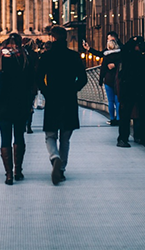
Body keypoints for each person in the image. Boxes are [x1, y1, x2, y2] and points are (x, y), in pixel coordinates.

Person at [37, 25, 88, 185]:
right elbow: (83, 79)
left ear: (52, 38)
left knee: (50, 135)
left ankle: (54, 157)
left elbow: (38, 77)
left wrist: (46, 91)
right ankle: (62, 170)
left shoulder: (46, 56)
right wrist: (73, 89)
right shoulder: (73, 56)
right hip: (69, 100)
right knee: (65, 138)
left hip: (53, 100)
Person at [0, 33, 35, 185]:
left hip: (2, 104)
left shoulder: (0, 58)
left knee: (5, 138)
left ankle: (8, 175)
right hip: (20, 104)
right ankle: (18, 171)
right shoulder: (24, 58)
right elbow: (31, 82)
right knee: (19, 136)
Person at [116, 36, 145, 147]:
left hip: (139, 88)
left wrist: (142, 51)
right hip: (130, 88)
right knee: (126, 114)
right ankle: (123, 138)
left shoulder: (140, 55)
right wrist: (136, 47)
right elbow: (127, 52)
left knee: (143, 113)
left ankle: (141, 136)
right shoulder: (127, 54)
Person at [98, 38, 121, 126]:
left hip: (108, 80)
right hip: (118, 79)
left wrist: (100, 81)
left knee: (110, 101)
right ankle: (119, 118)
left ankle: (112, 119)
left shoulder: (106, 56)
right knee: (117, 100)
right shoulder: (120, 56)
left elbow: (103, 69)